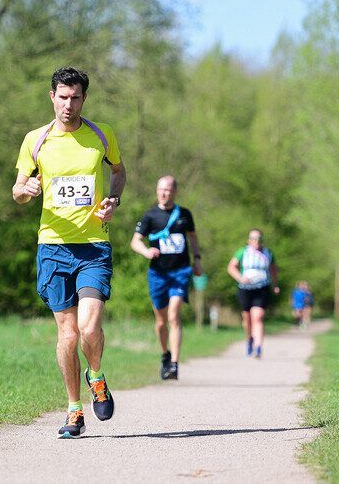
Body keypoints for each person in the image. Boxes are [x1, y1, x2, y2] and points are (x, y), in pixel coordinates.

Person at [12, 67, 126, 439]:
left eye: (75, 97)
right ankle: (74, 410)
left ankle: (96, 376)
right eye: (62, 97)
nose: (68, 104)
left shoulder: (100, 134)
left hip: (93, 245)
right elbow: (17, 189)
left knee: (89, 327)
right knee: (68, 335)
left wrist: (114, 199)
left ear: (84, 99)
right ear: (52, 97)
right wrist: (25, 189)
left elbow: (119, 172)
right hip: (53, 247)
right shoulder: (35, 139)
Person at [131, 176, 202, 380]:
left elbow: (193, 238)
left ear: (175, 192)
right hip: (158, 274)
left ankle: (175, 364)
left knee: (173, 316)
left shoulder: (184, 214)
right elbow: (135, 241)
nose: (163, 193)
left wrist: (197, 260)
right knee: (161, 321)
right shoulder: (150, 216)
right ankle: (165, 354)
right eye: (160, 189)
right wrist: (146, 252)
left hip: (181, 271)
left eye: (168, 190)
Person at [227, 229, 279, 358]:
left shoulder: (268, 253)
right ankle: (249, 338)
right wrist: (240, 277)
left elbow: (273, 269)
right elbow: (231, 267)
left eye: (259, 239)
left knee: (258, 317)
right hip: (245, 289)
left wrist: (275, 284)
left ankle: (258, 346)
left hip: (262, 288)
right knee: (247, 319)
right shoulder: (242, 252)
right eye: (254, 238)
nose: (257, 241)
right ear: (249, 240)